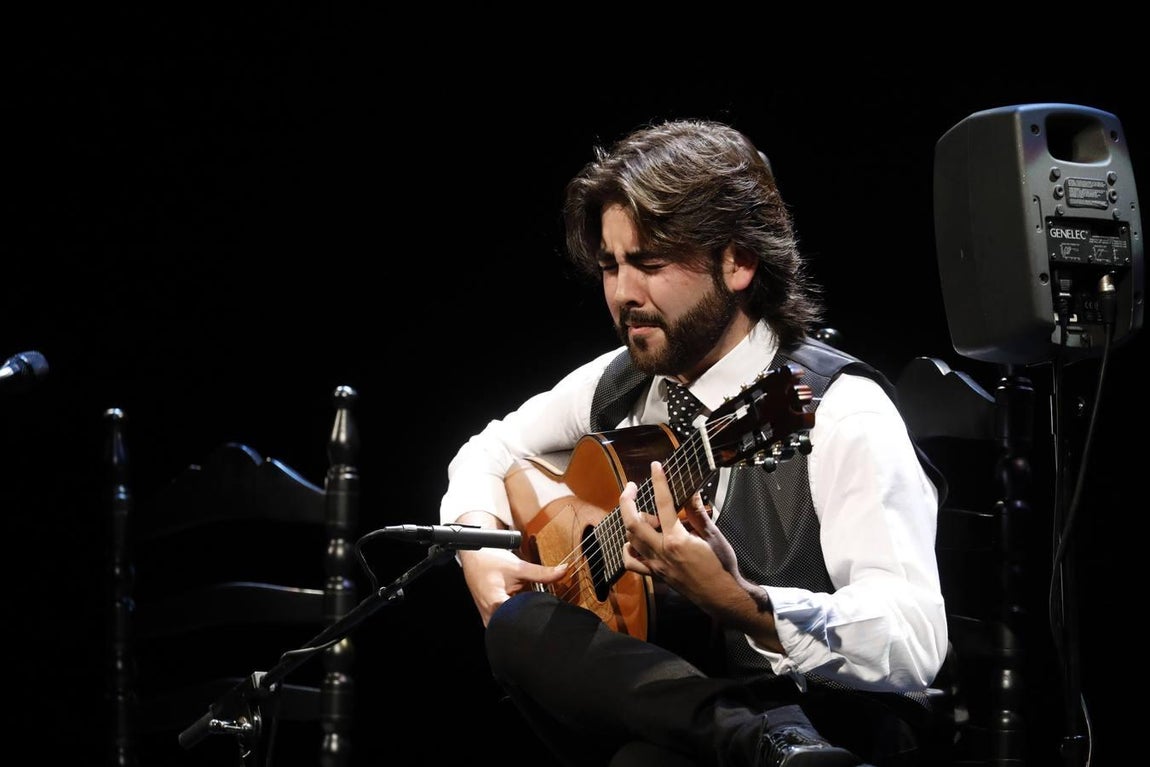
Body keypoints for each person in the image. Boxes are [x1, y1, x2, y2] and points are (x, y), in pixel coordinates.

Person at [438, 118, 949, 767]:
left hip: (837, 724)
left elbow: (915, 641)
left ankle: (773, 739)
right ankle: (753, 738)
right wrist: (481, 548)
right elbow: (487, 451)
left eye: (649, 264)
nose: (624, 294)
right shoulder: (621, 381)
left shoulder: (841, 409)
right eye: (610, 266)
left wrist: (745, 605)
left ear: (737, 261)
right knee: (516, 628)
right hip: (709, 723)